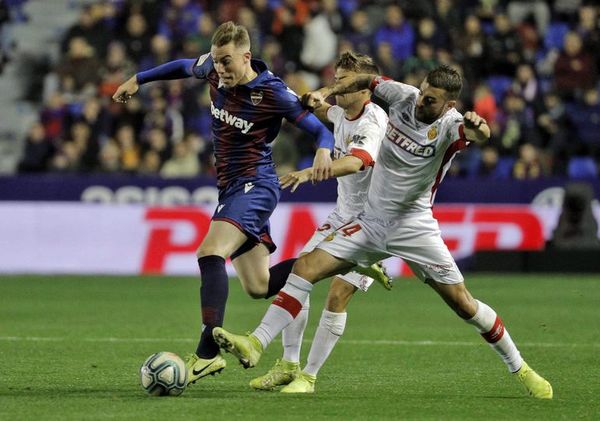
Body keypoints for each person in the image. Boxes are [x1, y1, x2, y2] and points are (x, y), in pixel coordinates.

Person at [212, 65, 554, 399]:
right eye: (422, 94)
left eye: (431, 101)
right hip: (371, 221)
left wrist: (482, 128)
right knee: (304, 268)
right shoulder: (404, 96)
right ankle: (257, 343)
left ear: (449, 105)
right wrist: (326, 92)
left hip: (415, 227)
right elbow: (367, 80)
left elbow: (479, 135)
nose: (421, 103)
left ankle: (521, 368)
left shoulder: (452, 126)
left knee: (464, 305)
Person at [112, 21, 335, 385]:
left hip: (257, 184)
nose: (220, 69)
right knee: (259, 286)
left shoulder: (273, 92)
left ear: (246, 57)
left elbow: (319, 129)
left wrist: (324, 149)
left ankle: (207, 352)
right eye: (216, 61)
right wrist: (139, 78)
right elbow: (183, 66)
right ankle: (340, 258)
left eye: (227, 62)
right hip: (231, 187)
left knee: (209, 252)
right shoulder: (213, 71)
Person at [249, 51, 392, 392]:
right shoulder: (343, 111)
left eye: (343, 81)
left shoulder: (373, 120)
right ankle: (288, 363)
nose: (336, 86)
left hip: (375, 223)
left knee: (337, 296)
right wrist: (311, 99)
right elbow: (323, 110)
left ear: (364, 89)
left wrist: (313, 171)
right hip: (342, 214)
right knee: (300, 274)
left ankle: (308, 377)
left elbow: (358, 161)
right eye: (336, 78)